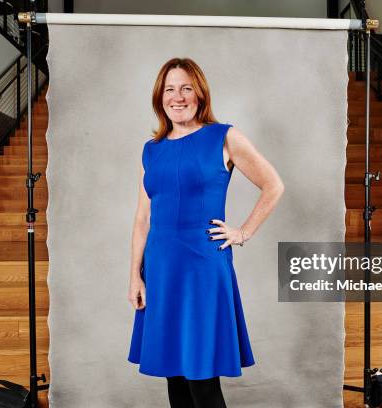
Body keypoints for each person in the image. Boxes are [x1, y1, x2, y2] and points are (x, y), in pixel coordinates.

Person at [127, 57, 284, 408]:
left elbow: (273, 185)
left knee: (201, 379)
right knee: (174, 374)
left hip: (202, 269)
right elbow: (142, 218)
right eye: (170, 89)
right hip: (161, 270)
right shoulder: (151, 150)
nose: (177, 96)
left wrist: (243, 231)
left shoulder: (223, 136)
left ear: (200, 95)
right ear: (159, 97)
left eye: (186, 88)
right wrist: (135, 276)